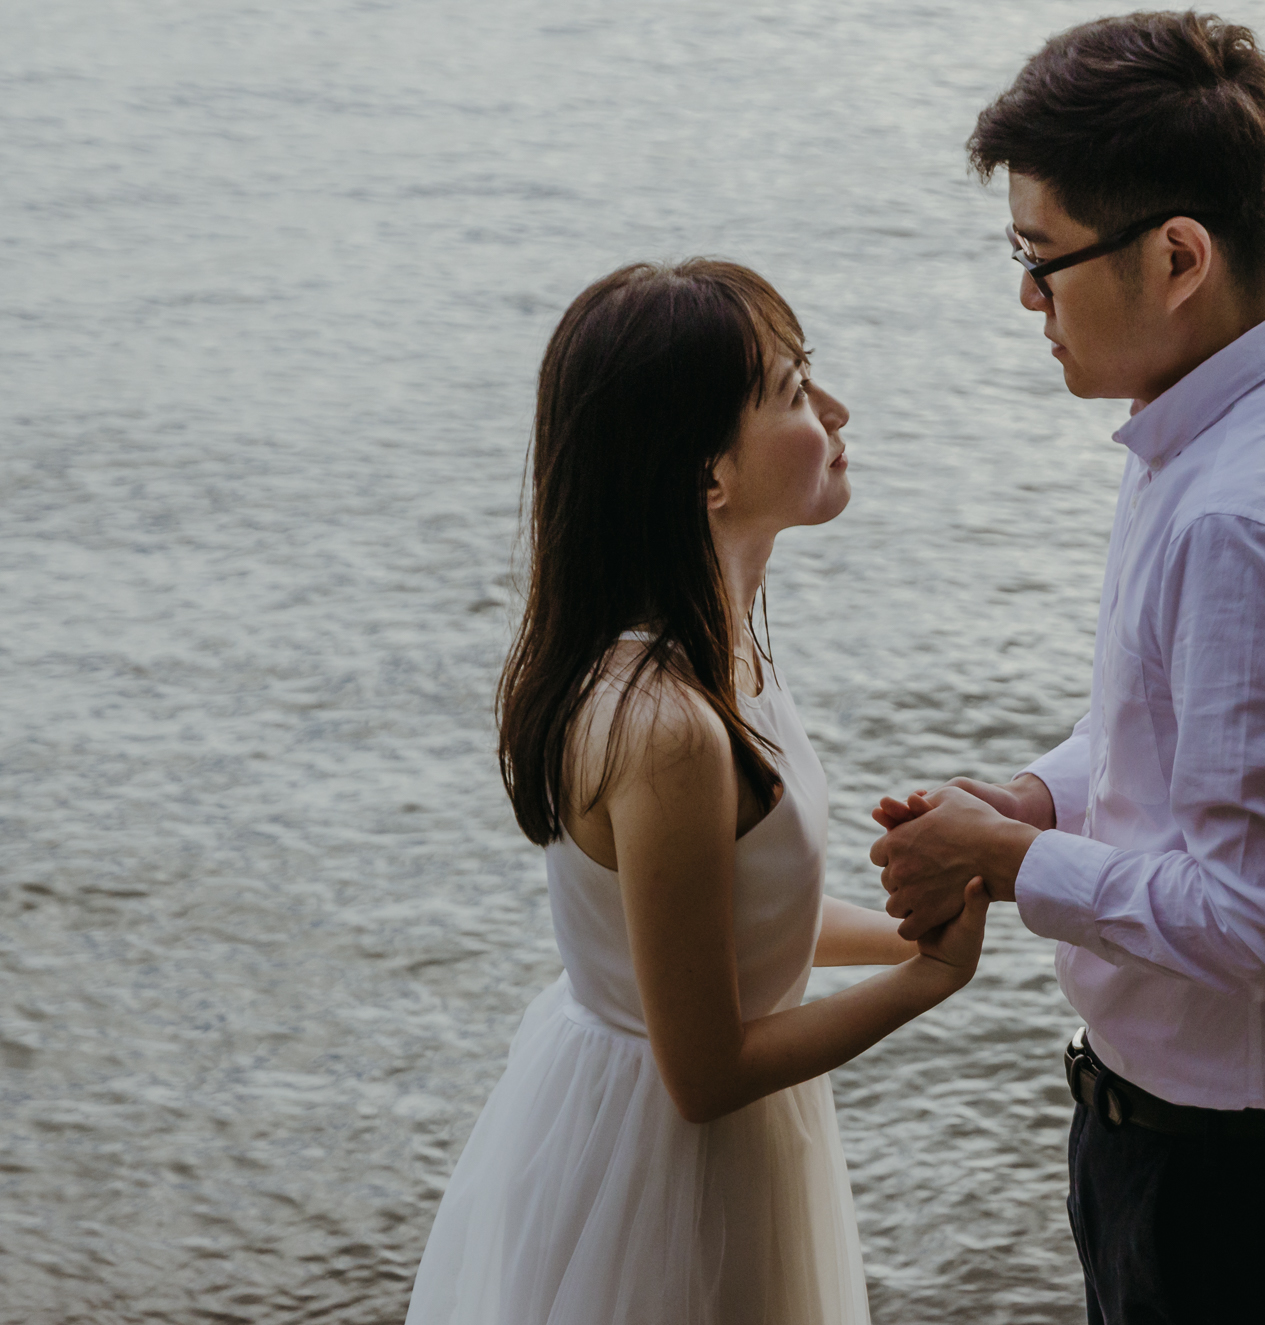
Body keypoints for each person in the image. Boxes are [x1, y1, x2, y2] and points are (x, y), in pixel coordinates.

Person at [869, 12, 1265, 1324]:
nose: (1028, 299)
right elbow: (1178, 726)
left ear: (1179, 256)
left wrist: (1014, 863)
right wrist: (1038, 798)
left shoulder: (1243, 514)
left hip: (1235, 1176)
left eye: (1042, 259)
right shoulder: (1235, 427)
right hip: (1259, 1144)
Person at [405, 259, 990, 1325]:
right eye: (793, 391)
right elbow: (706, 1071)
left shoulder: (724, 656)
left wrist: (922, 923)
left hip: (697, 1135)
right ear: (708, 474)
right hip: (661, 1167)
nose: (836, 410)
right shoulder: (665, 726)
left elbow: (744, 926)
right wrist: (930, 981)